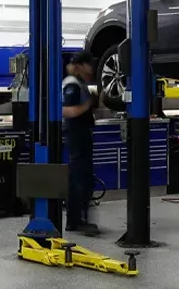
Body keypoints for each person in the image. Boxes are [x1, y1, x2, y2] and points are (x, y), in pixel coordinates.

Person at [63, 52, 101, 236]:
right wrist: (88, 105)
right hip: (77, 136)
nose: (92, 69)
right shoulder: (71, 84)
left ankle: (81, 219)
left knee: (84, 179)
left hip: (82, 136)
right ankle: (75, 222)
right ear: (80, 65)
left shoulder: (79, 83)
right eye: (90, 65)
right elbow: (66, 111)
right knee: (78, 179)